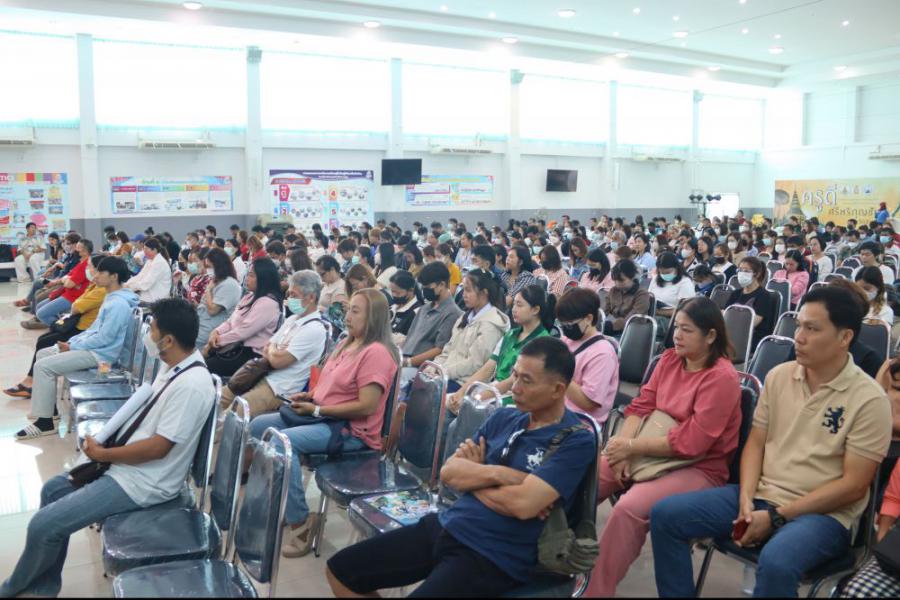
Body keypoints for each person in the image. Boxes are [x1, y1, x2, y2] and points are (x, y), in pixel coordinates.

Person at [651, 286, 892, 597]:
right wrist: (746, 498)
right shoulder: (779, 376)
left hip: (823, 515)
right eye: (799, 326)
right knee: (666, 515)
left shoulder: (869, 400)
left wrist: (778, 516)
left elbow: (853, 486)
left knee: (777, 561)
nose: (799, 337)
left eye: (812, 329)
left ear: (845, 337)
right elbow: (756, 443)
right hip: (762, 495)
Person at [326, 337, 596, 598]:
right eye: (515, 375)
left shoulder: (575, 440)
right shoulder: (504, 417)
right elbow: (449, 473)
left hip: (492, 554)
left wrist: (473, 477)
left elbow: (522, 505)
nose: (515, 387)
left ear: (557, 389)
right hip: (447, 523)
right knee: (340, 571)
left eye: (527, 380)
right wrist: (502, 474)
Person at [0, 297, 214, 598]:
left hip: (144, 482)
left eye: (152, 329)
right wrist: (106, 438)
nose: (148, 335)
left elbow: (159, 448)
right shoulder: (176, 366)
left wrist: (104, 455)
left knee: (42, 526)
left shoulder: (191, 385)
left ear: (167, 340)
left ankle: (13, 589)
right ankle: (43, 587)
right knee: (52, 490)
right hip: (129, 467)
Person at [587, 297, 741, 596]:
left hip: (698, 467)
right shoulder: (669, 360)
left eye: (687, 330)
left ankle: (595, 590)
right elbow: (641, 406)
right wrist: (621, 449)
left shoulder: (721, 378)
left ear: (711, 335)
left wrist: (632, 447)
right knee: (588, 478)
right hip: (649, 450)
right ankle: (552, 553)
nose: (677, 336)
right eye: (676, 328)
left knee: (629, 509)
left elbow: (694, 442)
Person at [250, 288, 399, 558]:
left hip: (351, 431)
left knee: (284, 443)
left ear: (373, 318)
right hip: (325, 416)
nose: (347, 316)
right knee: (259, 426)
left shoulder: (376, 353)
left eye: (355, 311)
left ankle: (301, 522)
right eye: (348, 309)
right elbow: (331, 384)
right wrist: (310, 396)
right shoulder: (347, 343)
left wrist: (318, 408)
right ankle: (281, 502)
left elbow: (367, 405)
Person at [16, 257, 139, 439]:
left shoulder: (118, 304)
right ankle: (50, 410)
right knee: (43, 354)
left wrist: (72, 345)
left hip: (102, 358)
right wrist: (73, 343)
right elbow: (94, 330)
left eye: (100, 272)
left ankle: (45, 423)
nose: (95, 275)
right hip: (94, 350)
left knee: (43, 367)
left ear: (114, 276)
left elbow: (105, 338)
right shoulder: (111, 298)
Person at [219, 270, 329, 417]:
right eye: (289, 294)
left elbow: (278, 361)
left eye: (294, 295)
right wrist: (276, 350)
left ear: (311, 297)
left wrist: (274, 350)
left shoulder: (314, 329)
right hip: (259, 374)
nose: (289, 299)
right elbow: (267, 346)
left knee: (232, 415)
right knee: (218, 400)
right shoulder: (293, 319)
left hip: (279, 388)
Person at [5, 255, 107, 400]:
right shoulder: (93, 284)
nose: (87, 269)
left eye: (90, 267)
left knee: (44, 341)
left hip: (83, 330)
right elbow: (77, 298)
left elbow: (77, 305)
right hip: (78, 324)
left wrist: (73, 344)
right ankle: (30, 381)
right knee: (46, 335)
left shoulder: (101, 290)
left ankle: (31, 383)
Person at [447, 284, 554, 413]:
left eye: (519, 305)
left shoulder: (542, 343)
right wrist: (461, 392)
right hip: (495, 390)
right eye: (514, 304)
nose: (514, 309)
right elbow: (488, 368)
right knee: (448, 402)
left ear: (535, 310)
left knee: (465, 412)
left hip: (515, 398)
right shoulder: (510, 334)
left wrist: (477, 398)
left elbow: (513, 381)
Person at [203, 258, 282, 378]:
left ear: (263, 278)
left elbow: (243, 331)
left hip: (250, 354)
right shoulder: (249, 296)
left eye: (251, 275)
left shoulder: (268, 303)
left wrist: (216, 342)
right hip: (234, 346)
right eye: (248, 274)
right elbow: (231, 321)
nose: (247, 278)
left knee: (205, 367)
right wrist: (216, 332)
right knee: (203, 363)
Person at [434, 270, 510, 392]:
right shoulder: (464, 318)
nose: (464, 295)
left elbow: (474, 363)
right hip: (446, 375)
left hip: (465, 384)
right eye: (463, 290)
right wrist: (434, 367)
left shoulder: (492, 324)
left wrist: (443, 371)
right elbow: (448, 350)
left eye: (468, 290)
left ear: (484, 293)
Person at [556, 288, 619, 424]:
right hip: (556, 413)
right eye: (562, 325)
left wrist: (557, 373)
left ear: (589, 319)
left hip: (579, 424)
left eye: (569, 324)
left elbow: (588, 403)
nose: (566, 329)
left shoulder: (602, 354)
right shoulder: (567, 340)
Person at [400, 262, 462, 374]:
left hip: (421, 368)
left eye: (428, 287)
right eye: (423, 287)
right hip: (404, 360)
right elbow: (409, 337)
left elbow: (440, 349)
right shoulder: (424, 308)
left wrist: (409, 362)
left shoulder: (452, 313)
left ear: (442, 285)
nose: (424, 291)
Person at [28, 239, 93, 329]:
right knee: (39, 306)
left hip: (73, 297)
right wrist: (65, 280)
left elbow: (68, 284)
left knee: (41, 314)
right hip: (67, 292)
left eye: (78, 247)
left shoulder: (86, 264)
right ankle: (60, 325)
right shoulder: (80, 263)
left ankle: (61, 328)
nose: (75, 249)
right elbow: (67, 277)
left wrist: (66, 280)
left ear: (85, 251)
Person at [724, 257, 777, 353]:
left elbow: (752, 322)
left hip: (751, 338)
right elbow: (725, 313)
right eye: (740, 270)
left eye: (746, 271)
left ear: (757, 274)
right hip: (733, 333)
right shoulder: (736, 293)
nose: (742, 273)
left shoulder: (764, 296)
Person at [195, 247, 242, 350]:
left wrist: (208, 290)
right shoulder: (216, 281)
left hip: (211, 330)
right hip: (201, 323)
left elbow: (212, 310)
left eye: (209, 266)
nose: (208, 270)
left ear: (218, 266)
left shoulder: (230, 284)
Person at [603, 259, 651, 336]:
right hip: (613, 329)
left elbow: (633, 318)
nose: (617, 283)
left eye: (621, 280)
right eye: (615, 280)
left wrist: (610, 326)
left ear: (632, 277)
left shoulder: (641, 294)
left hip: (631, 332)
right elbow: (604, 310)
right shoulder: (614, 291)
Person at [648, 251, 696, 326]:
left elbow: (686, 310)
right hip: (653, 315)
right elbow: (649, 297)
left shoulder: (685, 282)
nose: (664, 275)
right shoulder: (656, 279)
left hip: (672, 320)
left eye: (667, 272)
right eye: (661, 273)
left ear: (676, 267)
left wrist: (657, 312)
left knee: (647, 325)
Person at [124, 237, 172, 304]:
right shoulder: (150, 260)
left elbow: (146, 283)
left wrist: (129, 287)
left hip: (156, 300)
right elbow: (140, 276)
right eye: (144, 249)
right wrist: (126, 284)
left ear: (154, 250)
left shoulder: (159, 263)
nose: (144, 251)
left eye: (146, 249)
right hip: (147, 297)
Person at [388, 270, 422, 347]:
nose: (394, 295)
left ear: (411, 290)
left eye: (398, 293)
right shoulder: (392, 307)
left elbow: (409, 341)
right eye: (392, 291)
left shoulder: (417, 312)